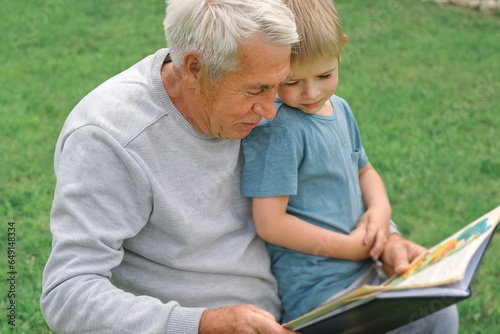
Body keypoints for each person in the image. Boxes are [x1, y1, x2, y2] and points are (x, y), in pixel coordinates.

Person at [40, 0, 446, 333]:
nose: (271, 112)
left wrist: (385, 237)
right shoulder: (111, 138)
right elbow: (67, 292)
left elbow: (329, 174)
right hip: (205, 324)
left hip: (297, 307)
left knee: (435, 313)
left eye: (277, 85)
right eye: (257, 90)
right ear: (195, 69)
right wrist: (201, 325)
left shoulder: (262, 105)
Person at [241, 0, 459, 331]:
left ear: (340, 49)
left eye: (325, 75)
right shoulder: (279, 128)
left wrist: (381, 213)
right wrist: (351, 249)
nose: (311, 92)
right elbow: (270, 223)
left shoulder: (339, 109)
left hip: (367, 271)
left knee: (440, 309)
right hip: (322, 292)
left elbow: (364, 170)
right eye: (291, 81)